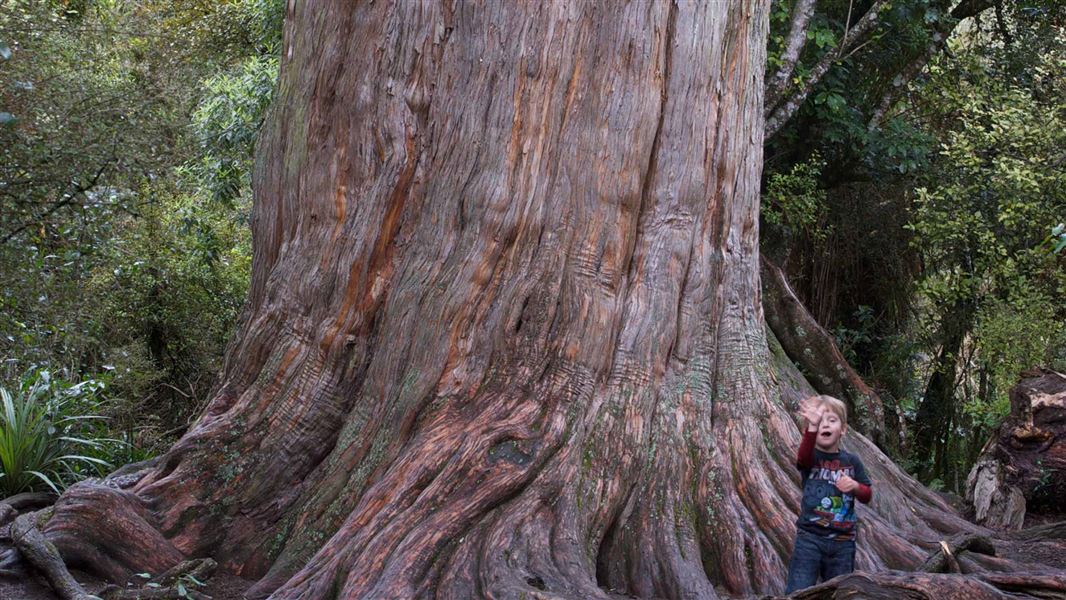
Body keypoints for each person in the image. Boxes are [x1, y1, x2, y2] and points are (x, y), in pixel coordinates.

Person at [784, 395, 873, 593]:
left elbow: (867, 495)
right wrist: (812, 427)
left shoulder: (852, 461)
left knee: (839, 593)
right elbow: (803, 456)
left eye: (831, 420)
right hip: (809, 539)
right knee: (798, 590)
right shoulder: (811, 458)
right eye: (820, 421)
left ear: (842, 429)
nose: (825, 425)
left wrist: (855, 486)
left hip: (843, 542)